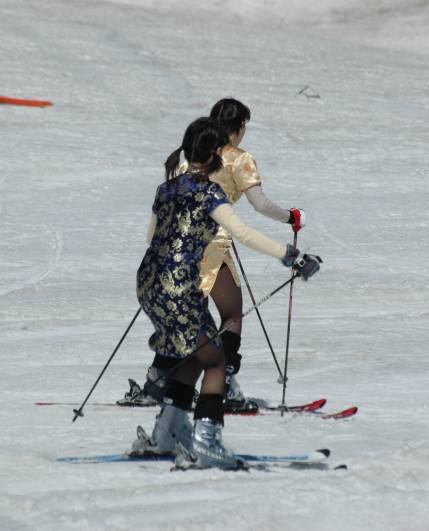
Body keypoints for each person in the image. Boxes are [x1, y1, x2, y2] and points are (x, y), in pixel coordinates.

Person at [130, 118, 320, 469]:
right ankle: (206, 443)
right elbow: (243, 233)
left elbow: (151, 236)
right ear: (216, 153)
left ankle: (168, 432)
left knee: (193, 354)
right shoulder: (209, 193)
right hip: (179, 285)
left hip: (148, 282)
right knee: (215, 360)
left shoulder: (165, 188)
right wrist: (290, 256)